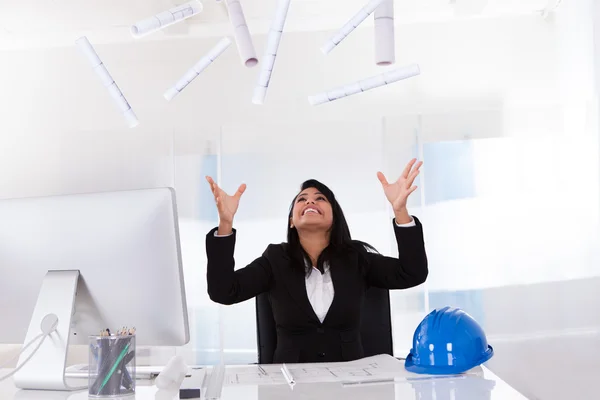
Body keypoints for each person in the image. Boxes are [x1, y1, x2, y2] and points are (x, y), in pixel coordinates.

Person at [205, 158, 428, 363]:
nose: (310, 201)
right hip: (290, 387)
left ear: (334, 217)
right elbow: (224, 291)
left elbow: (412, 272)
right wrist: (226, 223)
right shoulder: (275, 260)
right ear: (292, 220)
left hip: (350, 383)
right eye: (302, 199)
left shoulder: (356, 258)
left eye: (320, 198)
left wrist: (400, 211)